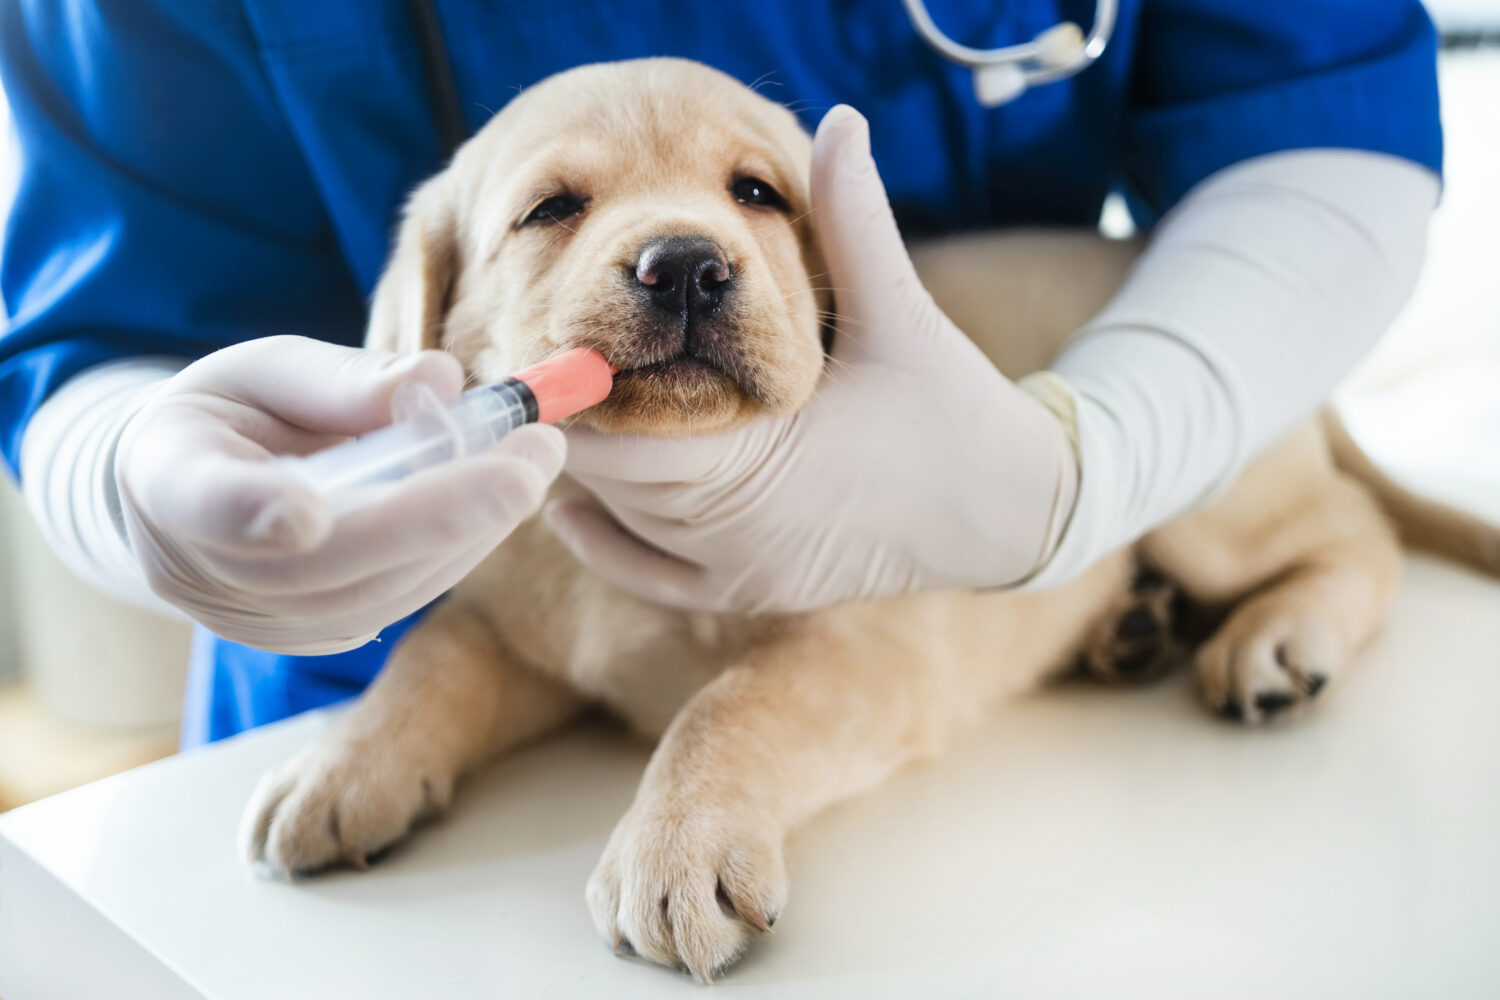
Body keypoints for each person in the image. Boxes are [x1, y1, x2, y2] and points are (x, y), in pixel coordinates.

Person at [0, 1, 1442, 745]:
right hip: (364, 643)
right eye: (555, 209)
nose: (678, 256)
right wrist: (133, 483)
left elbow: (1308, 106)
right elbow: (104, 310)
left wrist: (1086, 458)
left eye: (753, 197)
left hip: (1049, 667)